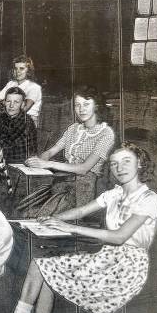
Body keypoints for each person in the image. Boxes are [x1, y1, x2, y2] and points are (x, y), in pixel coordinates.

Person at [12, 142, 157, 313]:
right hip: (107, 256)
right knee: (43, 263)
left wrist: (70, 227)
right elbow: (81, 210)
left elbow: (119, 236)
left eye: (126, 161)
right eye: (114, 164)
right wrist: (54, 218)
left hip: (128, 268)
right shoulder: (114, 193)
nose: (120, 168)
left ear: (140, 163)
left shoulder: (148, 198)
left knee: (47, 268)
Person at [16, 85, 115, 218]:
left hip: (83, 188)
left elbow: (84, 169)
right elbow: (51, 152)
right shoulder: (74, 129)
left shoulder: (106, 133)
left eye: (86, 104)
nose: (81, 109)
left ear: (96, 106)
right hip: (61, 181)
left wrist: (49, 164)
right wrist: (39, 160)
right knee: (21, 208)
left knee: (36, 216)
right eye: (77, 105)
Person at [0, 87, 37, 163]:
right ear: (4, 102)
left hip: (19, 163)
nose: (11, 105)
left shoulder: (26, 122)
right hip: (1, 159)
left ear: (22, 104)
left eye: (16, 102)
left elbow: (7, 146)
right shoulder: (2, 118)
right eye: (8, 101)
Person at [0, 55, 42, 126]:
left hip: (27, 122)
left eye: (21, 68)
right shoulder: (11, 84)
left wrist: (4, 103)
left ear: (28, 71)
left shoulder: (34, 87)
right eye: (15, 68)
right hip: (11, 118)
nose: (18, 72)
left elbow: (24, 109)